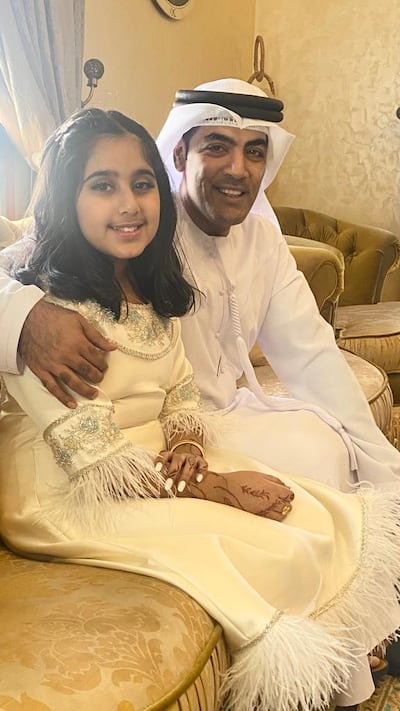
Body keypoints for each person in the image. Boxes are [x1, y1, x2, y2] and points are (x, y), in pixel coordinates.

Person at [0, 107, 399, 711]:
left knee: (316, 511)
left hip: (149, 461)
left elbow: (182, 386)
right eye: (101, 186)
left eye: (140, 184)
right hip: (66, 489)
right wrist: (215, 485)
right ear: (64, 198)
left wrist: (188, 446)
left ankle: (346, 668)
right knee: (267, 541)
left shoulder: (150, 289)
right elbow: (90, 452)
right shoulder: (50, 316)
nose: (129, 204)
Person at [1, 81, 400, 493]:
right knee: (309, 465)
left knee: (325, 444)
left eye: (255, 152)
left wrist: (383, 460)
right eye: (217, 146)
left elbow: (312, 354)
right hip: (138, 438)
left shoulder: (262, 239)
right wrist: (27, 314)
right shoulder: (138, 227)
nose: (237, 168)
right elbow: (34, 250)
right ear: (179, 154)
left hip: (202, 427)